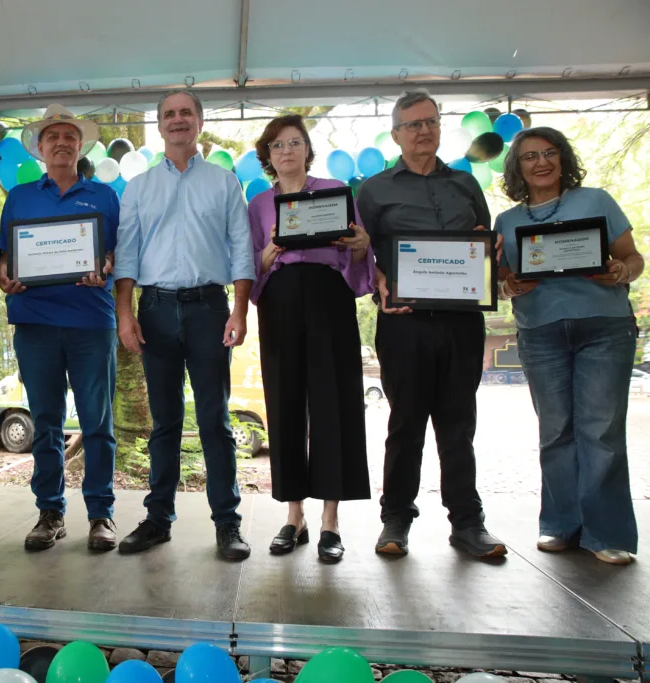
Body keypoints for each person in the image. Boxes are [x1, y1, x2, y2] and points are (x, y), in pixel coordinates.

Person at [357, 89, 507, 558]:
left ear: (441, 127)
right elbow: (360, 254)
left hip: (463, 322)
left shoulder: (465, 185)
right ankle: (395, 520)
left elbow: (485, 247)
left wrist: (492, 252)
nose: (424, 130)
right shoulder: (374, 189)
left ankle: (467, 523)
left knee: (458, 424)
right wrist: (379, 279)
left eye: (431, 122)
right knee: (405, 423)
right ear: (397, 133)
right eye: (414, 124)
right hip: (404, 323)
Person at [115, 90, 256, 561]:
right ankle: (158, 519)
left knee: (215, 420)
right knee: (165, 423)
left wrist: (240, 309)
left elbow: (241, 248)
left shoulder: (223, 182)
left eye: (185, 113)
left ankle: (227, 524)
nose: (177, 120)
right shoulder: (138, 187)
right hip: (153, 310)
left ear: (199, 122)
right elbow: (128, 256)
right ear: (159, 126)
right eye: (169, 114)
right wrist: (125, 313)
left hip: (210, 310)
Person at [495, 127, 643, 565]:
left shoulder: (596, 200)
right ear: (517, 167)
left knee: (601, 431)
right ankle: (561, 525)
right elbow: (502, 281)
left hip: (605, 327)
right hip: (540, 332)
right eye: (530, 157)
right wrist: (510, 285)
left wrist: (617, 272)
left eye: (549, 153)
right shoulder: (507, 221)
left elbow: (633, 260)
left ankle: (607, 532)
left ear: (563, 159)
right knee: (555, 432)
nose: (541, 162)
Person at [248, 115, 374, 563]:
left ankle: (330, 521)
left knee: (333, 403)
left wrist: (361, 244)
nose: (287, 151)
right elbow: (251, 268)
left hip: (329, 300)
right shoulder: (259, 204)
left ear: (307, 150)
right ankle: (293, 515)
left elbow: (359, 253)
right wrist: (268, 253)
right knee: (283, 403)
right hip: (281, 302)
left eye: (295, 143)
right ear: (268, 156)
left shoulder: (336, 191)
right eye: (278, 145)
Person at [0, 104, 120, 552]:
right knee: (45, 423)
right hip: (35, 323)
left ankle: (101, 514)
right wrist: (4, 275)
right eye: (53, 137)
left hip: (92, 321)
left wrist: (106, 264)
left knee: (97, 424)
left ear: (79, 144)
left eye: (70, 136)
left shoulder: (105, 196)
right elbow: (3, 255)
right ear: (40, 148)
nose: (62, 143)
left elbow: (121, 254)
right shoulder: (20, 195)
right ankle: (50, 513)